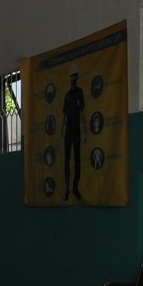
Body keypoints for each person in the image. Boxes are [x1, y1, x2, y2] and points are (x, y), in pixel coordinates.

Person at [62, 66, 86, 201]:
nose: (73, 78)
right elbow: (64, 115)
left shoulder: (80, 93)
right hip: (68, 131)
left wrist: (85, 130)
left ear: (77, 77)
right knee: (67, 159)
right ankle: (66, 188)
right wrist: (61, 131)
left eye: (75, 75)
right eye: (72, 76)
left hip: (76, 130)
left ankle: (75, 187)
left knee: (77, 159)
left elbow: (82, 112)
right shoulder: (67, 95)